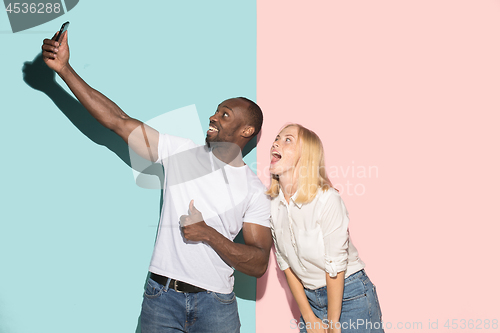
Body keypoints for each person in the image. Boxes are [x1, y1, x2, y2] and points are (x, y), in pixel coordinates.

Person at [41, 30, 272, 333]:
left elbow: (258, 263)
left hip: (217, 306)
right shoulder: (181, 153)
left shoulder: (254, 191)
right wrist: (65, 70)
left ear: (247, 131)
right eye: (216, 111)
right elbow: (118, 121)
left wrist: (207, 234)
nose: (213, 118)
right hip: (161, 298)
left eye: (225, 114)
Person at [268, 124, 384, 333]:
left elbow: (335, 265)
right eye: (276, 138)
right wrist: (309, 316)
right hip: (310, 300)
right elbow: (285, 264)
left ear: (306, 156)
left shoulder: (327, 199)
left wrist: (333, 323)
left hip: (350, 295)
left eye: (288, 140)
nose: (275, 142)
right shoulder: (273, 205)